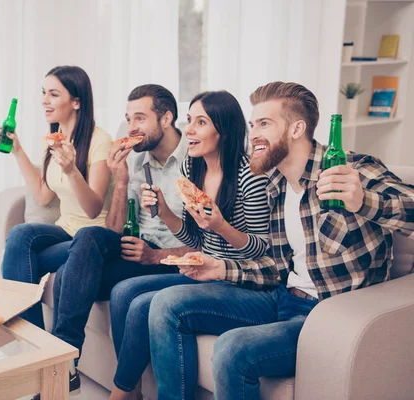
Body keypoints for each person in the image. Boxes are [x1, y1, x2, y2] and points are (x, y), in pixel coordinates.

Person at [148, 81, 414, 400]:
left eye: (265, 124)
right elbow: (275, 267)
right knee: (166, 303)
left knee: (232, 348)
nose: (254, 134)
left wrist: (363, 200)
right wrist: (220, 268)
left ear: (296, 128)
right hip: (280, 296)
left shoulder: (350, 169)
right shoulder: (276, 185)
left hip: (325, 315)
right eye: (252, 124)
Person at [108, 90, 270, 400]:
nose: (190, 131)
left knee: (147, 303)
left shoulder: (249, 175)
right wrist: (163, 212)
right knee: (123, 292)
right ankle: (131, 391)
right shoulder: (192, 170)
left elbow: (261, 249)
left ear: (224, 130)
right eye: (190, 121)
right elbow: (196, 239)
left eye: (201, 123)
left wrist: (221, 226)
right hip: (205, 268)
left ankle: (121, 394)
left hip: (241, 279)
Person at [50, 84, 192, 394]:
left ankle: (62, 366)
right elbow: (114, 230)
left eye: (139, 119)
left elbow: (204, 245)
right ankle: (65, 359)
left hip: (170, 260)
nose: (131, 128)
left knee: (65, 277)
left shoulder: (194, 161)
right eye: (128, 119)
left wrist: (155, 255)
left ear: (166, 119)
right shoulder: (136, 160)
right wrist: (122, 178)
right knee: (87, 240)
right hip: (135, 250)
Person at [0, 65, 112, 330]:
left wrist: (72, 171)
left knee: (20, 262)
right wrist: (17, 150)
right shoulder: (53, 139)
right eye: (43, 93)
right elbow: (42, 195)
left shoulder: (100, 141)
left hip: (93, 239)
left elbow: (94, 208)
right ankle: (36, 341)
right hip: (66, 231)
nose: (44, 101)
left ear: (76, 102)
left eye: (53, 94)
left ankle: (33, 345)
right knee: (19, 235)